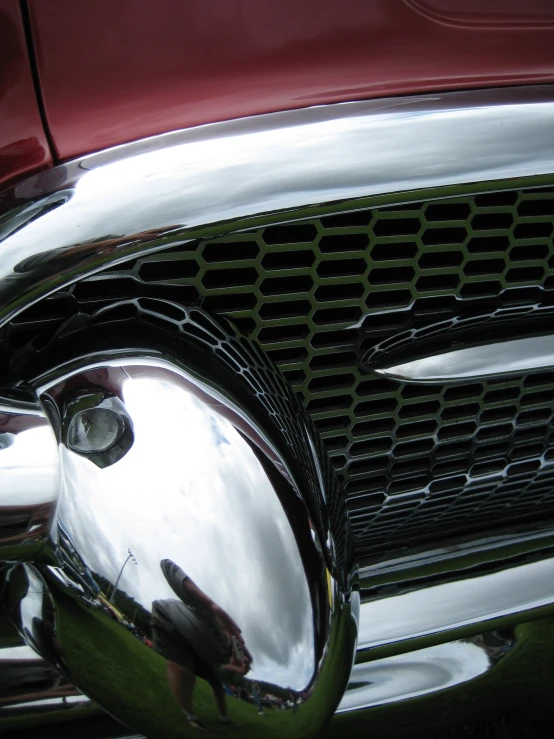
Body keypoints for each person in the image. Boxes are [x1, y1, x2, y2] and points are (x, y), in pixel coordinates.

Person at [151, 559, 251, 733]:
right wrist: (211, 605)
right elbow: (166, 565)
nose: (233, 642)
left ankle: (224, 719)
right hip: (170, 620)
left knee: (218, 686)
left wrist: (234, 669)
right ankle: (192, 718)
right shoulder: (210, 616)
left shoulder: (221, 654)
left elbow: (218, 670)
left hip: (199, 650)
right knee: (182, 669)